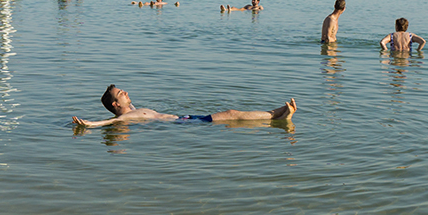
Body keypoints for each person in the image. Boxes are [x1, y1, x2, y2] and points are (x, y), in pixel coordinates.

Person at [73, 84, 296, 127]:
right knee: (232, 114)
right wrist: (89, 125)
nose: (126, 92)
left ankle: (277, 116)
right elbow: (110, 121)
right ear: (115, 103)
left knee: (232, 117)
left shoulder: (133, 111)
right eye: (121, 93)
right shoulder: (127, 117)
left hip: (185, 119)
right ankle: (275, 114)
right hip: (185, 123)